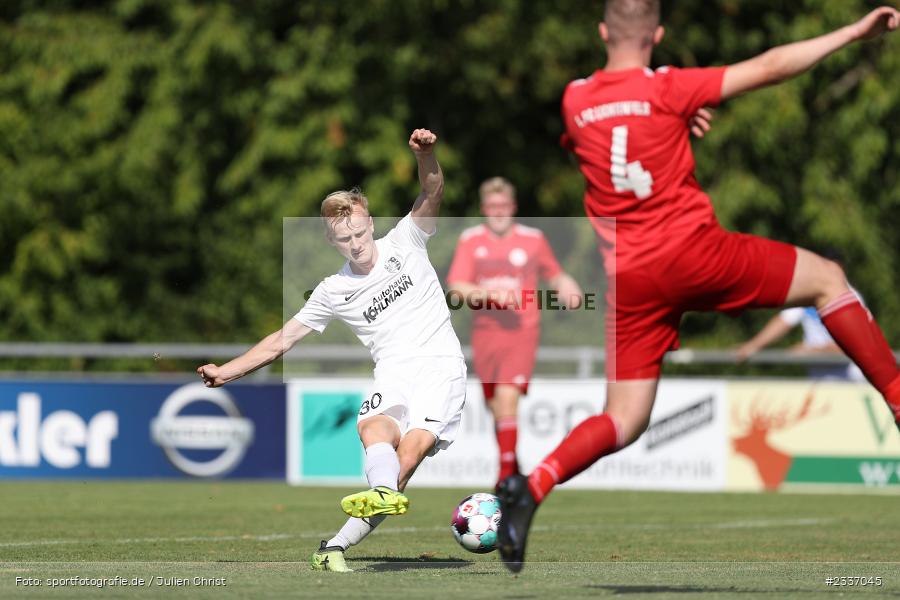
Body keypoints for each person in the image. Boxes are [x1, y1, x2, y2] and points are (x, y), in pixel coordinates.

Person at [497, 1, 900, 572]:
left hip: (631, 281)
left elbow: (614, 140)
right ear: (658, 34)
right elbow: (772, 65)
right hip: (694, 254)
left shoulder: (575, 99)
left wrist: (670, 124)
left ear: (602, 31)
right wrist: (854, 32)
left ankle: (531, 485)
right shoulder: (672, 88)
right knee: (828, 281)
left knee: (624, 419)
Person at [197, 129, 467, 573]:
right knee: (373, 430)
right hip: (394, 370)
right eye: (345, 239)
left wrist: (427, 154)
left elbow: (433, 188)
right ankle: (374, 500)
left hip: (441, 368)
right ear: (332, 242)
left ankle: (335, 544)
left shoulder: (407, 241)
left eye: (359, 232)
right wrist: (227, 373)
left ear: (371, 223)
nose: (356, 243)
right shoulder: (333, 290)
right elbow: (282, 340)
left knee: (409, 456)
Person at [446, 177, 583, 489]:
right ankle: (513, 465)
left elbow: (555, 274)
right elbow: (457, 287)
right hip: (485, 333)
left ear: (513, 207)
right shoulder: (471, 240)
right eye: (492, 206)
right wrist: (491, 295)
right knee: (495, 407)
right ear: (484, 209)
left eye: (504, 206)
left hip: (522, 331)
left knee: (507, 398)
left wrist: (567, 286)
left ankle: (505, 478)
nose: (498, 212)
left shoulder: (533, 239)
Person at [736, 297, 866, 382]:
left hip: (850, 383)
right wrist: (752, 346)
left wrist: (813, 351)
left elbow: (852, 346)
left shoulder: (850, 297)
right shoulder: (809, 295)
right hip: (819, 382)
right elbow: (783, 322)